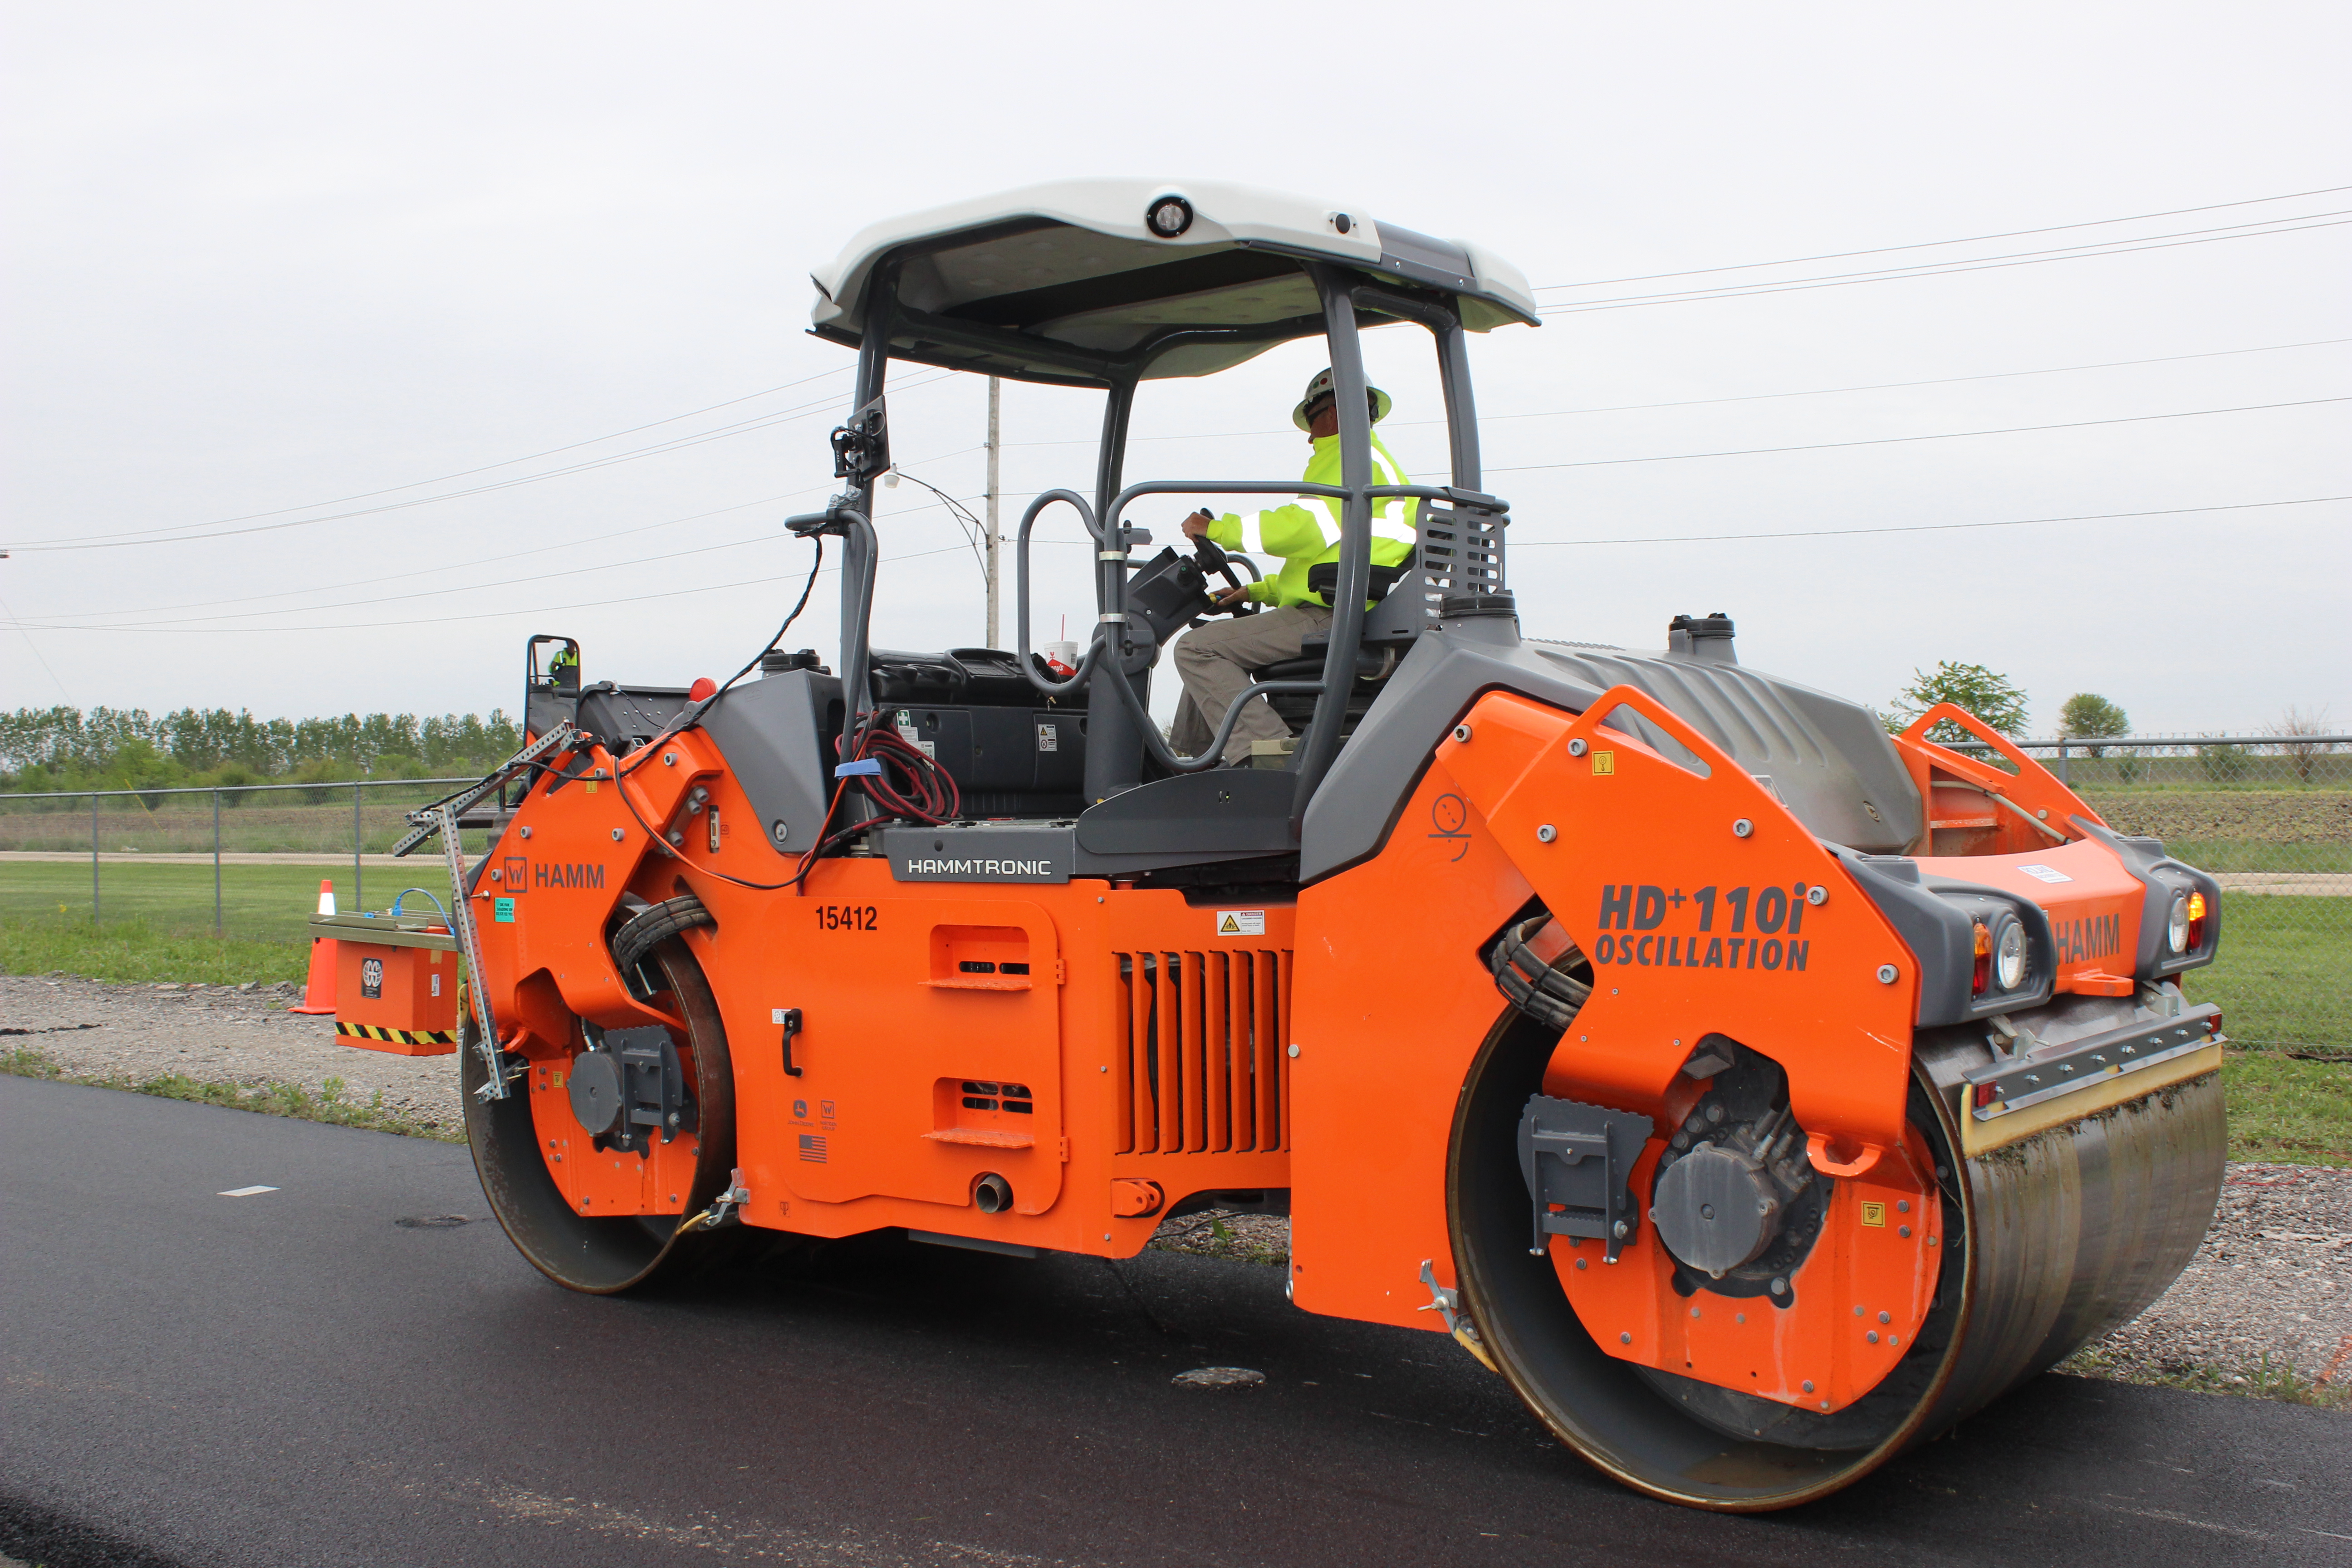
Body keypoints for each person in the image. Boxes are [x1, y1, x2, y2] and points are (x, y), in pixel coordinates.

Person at [1168, 368, 1418, 765]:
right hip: (1343, 603)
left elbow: (1300, 527)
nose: (1310, 435)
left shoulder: (1351, 460)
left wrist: (1216, 529)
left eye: (1313, 421)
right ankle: (1203, 765)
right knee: (1214, 643)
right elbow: (1318, 558)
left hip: (1333, 614)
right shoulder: (1368, 462)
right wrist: (1256, 591)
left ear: (1334, 414)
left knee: (1195, 649)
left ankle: (1271, 759)